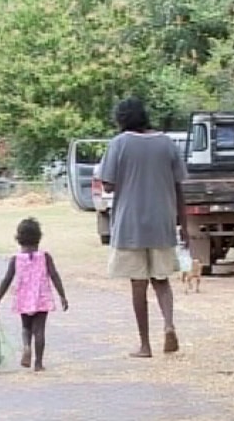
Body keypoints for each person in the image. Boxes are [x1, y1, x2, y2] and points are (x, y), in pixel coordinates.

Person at [100, 97, 188, 358]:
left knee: (138, 285)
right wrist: (183, 224)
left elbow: (107, 184)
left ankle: (145, 345)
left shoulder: (119, 144)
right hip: (162, 222)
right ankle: (169, 325)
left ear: (122, 119)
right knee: (161, 280)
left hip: (130, 225)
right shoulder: (167, 143)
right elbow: (179, 187)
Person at [0, 217, 68, 371]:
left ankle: (26, 346)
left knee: (26, 327)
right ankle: (38, 363)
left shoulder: (15, 259)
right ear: (39, 238)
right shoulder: (45, 257)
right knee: (39, 330)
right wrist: (62, 295)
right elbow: (54, 275)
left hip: (23, 298)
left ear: (18, 239)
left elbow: (6, 280)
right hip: (41, 298)